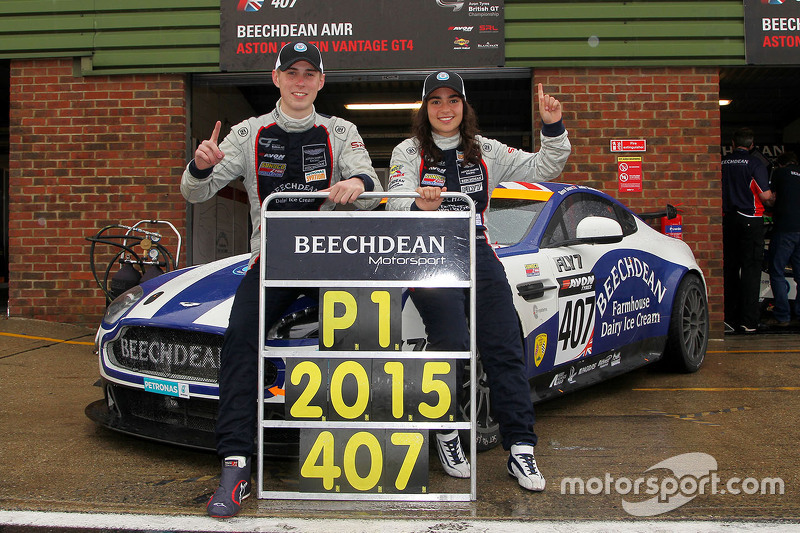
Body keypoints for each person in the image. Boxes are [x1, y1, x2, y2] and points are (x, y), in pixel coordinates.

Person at [181, 41, 382, 518]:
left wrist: (358, 184)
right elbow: (193, 191)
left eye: (309, 73)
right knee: (240, 344)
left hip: (330, 256)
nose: (299, 80)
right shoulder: (249, 132)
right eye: (291, 72)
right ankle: (235, 462)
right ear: (276, 79)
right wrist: (201, 164)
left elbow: (373, 189)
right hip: (270, 258)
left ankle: (360, 452)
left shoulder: (340, 129)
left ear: (320, 82)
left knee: (359, 337)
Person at [386, 71, 571, 491]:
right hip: (427, 254)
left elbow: (545, 166)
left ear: (465, 107)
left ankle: (521, 448)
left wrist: (552, 127)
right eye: (435, 101)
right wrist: (420, 208)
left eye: (453, 100)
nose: (445, 109)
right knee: (449, 344)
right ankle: (446, 431)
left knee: (504, 344)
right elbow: (395, 203)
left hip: (477, 251)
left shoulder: (486, 149)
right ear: (424, 108)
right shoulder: (406, 151)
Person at [721, 127, 773, 333]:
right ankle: (748, 322)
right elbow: (765, 196)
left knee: (729, 270)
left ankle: (728, 319)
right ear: (752, 146)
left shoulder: (722, 163)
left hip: (727, 220)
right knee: (751, 271)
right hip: (751, 220)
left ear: (732, 144)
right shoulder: (755, 163)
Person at [766, 151, 800, 327]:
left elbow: (770, 198)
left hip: (785, 229)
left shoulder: (779, 173)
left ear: (781, 164)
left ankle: (782, 316)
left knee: (777, 271)